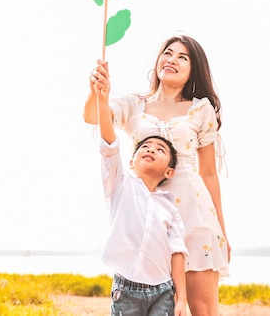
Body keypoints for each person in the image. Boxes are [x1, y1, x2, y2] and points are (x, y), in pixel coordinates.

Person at [84, 34, 230, 316]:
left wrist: (222, 231)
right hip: (146, 221)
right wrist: (96, 91)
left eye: (182, 57)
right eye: (168, 53)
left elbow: (209, 173)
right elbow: (94, 117)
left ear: (193, 69)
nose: (172, 60)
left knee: (203, 310)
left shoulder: (201, 109)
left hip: (195, 216)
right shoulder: (133, 104)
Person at [96, 80, 188, 316]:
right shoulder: (120, 185)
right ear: (131, 161)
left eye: (160, 150)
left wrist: (181, 299)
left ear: (169, 172)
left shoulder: (169, 207)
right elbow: (109, 145)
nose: (151, 149)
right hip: (126, 290)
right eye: (145, 146)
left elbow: (178, 252)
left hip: (163, 291)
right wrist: (103, 100)